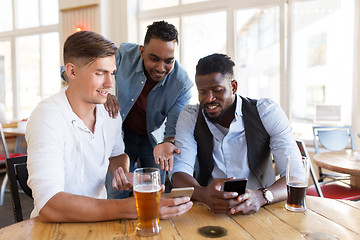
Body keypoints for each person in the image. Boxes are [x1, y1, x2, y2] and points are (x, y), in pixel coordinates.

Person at [26, 31, 192, 222]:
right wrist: (137, 207)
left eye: (112, 73)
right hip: (54, 229)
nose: (110, 83)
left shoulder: (110, 114)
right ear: (71, 72)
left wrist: (121, 172)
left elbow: (116, 155)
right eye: (100, 73)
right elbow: (49, 205)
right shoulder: (47, 116)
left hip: (98, 224)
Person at [170, 53, 301, 215]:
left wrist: (262, 196)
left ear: (233, 87)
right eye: (202, 92)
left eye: (217, 90)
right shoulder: (190, 116)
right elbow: (178, 173)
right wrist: (203, 194)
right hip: (209, 212)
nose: (209, 99)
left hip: (264, 210)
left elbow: (295, 176)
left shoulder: (266, 112)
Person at [103, 21, 193, 198]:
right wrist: (102, 92)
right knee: (115, 191)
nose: (161, 68)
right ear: (142, 51)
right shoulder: (122, 55)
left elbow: (172, 128)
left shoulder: (182, 84)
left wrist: (168, 143)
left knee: (155, 192)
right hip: (120, 134)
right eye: (154, 59)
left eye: (169, 61)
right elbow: (77, 71)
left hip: (153, 141)